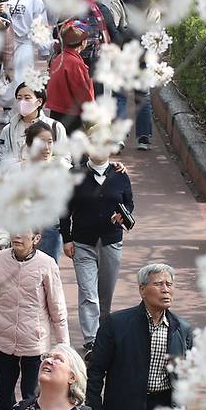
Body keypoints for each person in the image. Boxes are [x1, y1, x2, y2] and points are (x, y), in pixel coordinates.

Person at [86, 264, 193, 410]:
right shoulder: (116, 324)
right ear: (142, 290)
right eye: (159, 284)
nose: (166, 289)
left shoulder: (181, 329)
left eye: (169, 284)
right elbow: (96, 370)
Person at [0, 229, 70, 410]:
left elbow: (57, 306)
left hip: (35, 342)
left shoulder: (46, 264)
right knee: (4, 401)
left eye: (23, 233)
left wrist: (63, 345)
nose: (17, 236)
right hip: (3, 339)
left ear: (36, 239)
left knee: (31, 397)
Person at [60, 148, 134, 358]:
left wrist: (123, 215)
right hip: (82, 242)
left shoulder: (120, 174)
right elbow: (64, 209)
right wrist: (66, 239)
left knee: (105, 292)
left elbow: (129, 202)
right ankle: (92, 339)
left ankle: (104, 333)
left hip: (111, 242)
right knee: (88, 292)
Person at [109, 0, 155, 150]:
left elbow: (113, 25)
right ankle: (143, 138)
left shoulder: (118, 2)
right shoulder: (152, 3)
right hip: (143, 54)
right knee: (142, 96)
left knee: (120, 96)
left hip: (123, 54)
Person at [21, 121, 68, 263]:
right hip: (24, 230)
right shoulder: (18, 170)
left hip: (51, 231)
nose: (47, 148)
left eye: (50, 142)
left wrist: (114, 167)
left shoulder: (62, 168)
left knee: (49, 275)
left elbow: (88, 173)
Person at [45, 21, 95, 134]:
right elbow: (82, 91)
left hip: (57, 110)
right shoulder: (74, 63)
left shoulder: (59, 58)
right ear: (83, 42)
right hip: (71, 114)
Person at [0, 82, 67, 160]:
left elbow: (64, 157)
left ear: (39, 101)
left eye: (27, 98)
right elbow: (1, 157)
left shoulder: (54, 126)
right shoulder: (9, 129)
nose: (22, 102)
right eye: (19, 98)